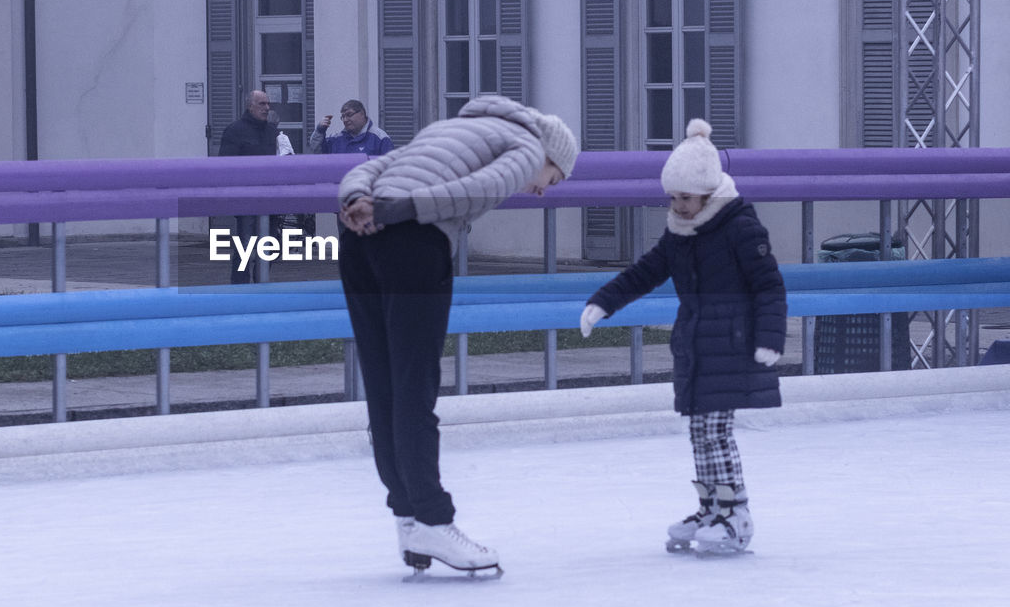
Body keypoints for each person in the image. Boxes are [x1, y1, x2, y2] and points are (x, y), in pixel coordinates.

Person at [337, 95, 579, 575]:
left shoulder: (447, 126)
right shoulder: (528, 147)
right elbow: (477, 189)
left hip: (356, 240)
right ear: (551, 158)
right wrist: (399, 211)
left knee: (384, 387)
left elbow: (373, 166)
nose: (541, 190)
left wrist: (356, 201)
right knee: (414, 387)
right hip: (412, 242)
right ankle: (431, 516)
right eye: (552, 180)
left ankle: (408, 518)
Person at [578, 119, 787, 555]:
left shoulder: (740, 228)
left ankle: (737, 514)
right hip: (696, 347)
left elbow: (769, 285)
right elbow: (645, 272)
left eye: (685, 198)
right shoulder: (680, 231)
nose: (677, 205)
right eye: (672, 197)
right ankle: (711, 508)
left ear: (709, 193)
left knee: (716, 431)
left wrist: (771, 338)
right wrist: (603, 302)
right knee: (699, 432)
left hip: (733, 345)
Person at [218, 90, 278, 283]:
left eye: (268, 104)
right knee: (245, 245)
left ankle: (261, 283)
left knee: (270, 245)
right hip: (246, 199)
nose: (267, 108)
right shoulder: (235, 131)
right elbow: (226, 166)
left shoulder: (272, 131)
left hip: (269, 199)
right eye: (262, 104)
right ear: (250, 106)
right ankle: (240, 286)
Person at [309, 100, 394, 156]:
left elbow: (389, 170)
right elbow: (317, 153)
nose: (345, 120)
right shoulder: (336, 139)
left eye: (349, 115)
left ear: (362, 114)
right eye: (343, 116)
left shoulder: (380, 138)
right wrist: (319, 131)